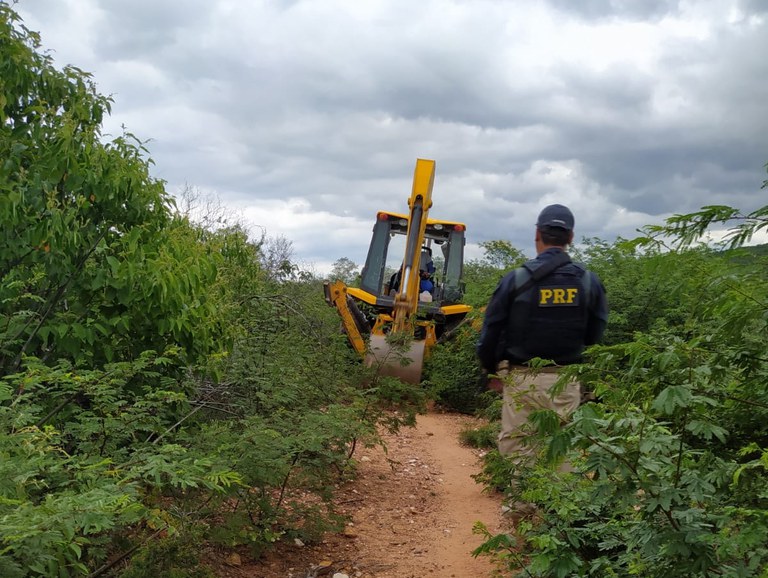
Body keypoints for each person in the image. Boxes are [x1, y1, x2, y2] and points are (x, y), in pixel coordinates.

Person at [476, 204, 608, 463]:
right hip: (566, 381)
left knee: (518, 448)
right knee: (561, 452)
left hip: (521, 379)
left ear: (537, 233)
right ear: (570, 237)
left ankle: (521, 505)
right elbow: (595, 335)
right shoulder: (588, 281)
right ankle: (557, 503)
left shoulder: (516, 279)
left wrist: (491, 370)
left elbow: (491, 331)